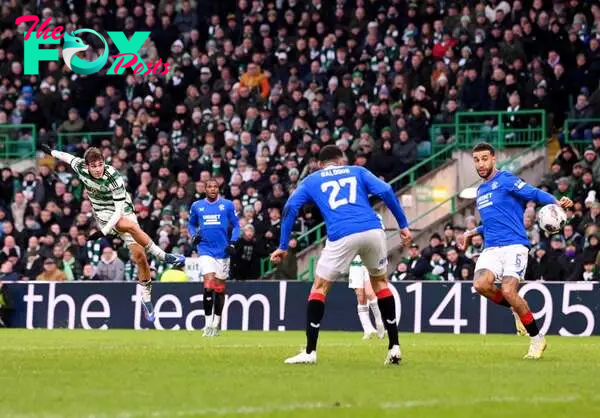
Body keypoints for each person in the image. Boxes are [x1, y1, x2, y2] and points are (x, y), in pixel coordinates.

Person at [270, 145, 412, 365]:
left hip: (342, 233)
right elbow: (385, 190)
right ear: (341, 160)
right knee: (381, 284)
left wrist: (282, 245)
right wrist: (403, 224)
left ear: (319, 163)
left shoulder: (311, 180)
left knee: (319, 288)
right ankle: (394, 347)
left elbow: (290, 208)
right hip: (373, 229)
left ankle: (310, 352)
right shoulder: (357, 170)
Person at [38, 145, 185, 321]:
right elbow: (65, 156)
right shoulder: (80, 167)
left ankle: (146, 300)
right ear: (87, 166)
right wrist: (50, 152)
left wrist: (103, 232)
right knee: (130, 227)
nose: (98, 169)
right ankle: (163, 256)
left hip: (121, 210)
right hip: (103, 213)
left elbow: (118, 211)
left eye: (100, 164)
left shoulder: (113, 176)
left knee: (140, 258)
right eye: (94, 166)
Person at [459, 142, 573, 359]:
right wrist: (470, 232)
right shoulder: (481, 190)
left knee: (510, 291)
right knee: (480, 285)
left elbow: (534, 193)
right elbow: (491, 223)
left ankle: (537, 339)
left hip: (514, 246)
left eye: (485, 158)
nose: (481, 163)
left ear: (494, 159)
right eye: (476, 160)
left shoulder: (507, 180)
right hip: (492, 247)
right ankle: (515, 308)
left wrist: (557, 202)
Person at [188, 178, 240, 337]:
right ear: (205, 189)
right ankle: (207, 324)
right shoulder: (197, 206)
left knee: (220, 289)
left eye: (215, 187)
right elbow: (191, 224)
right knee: (209, 285)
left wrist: (232, 242)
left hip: (223, 252)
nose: (212, 189)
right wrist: (193, 235)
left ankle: (216, 323)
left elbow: (236, 225)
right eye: (209, 187)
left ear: (218, 189)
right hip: (205, 250)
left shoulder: (228, 205)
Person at [348, 254, 385, 340]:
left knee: (370, 293)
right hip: (356, 263)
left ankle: (380, 324)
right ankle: (367, 330)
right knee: (360, 297)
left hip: (369, 260)